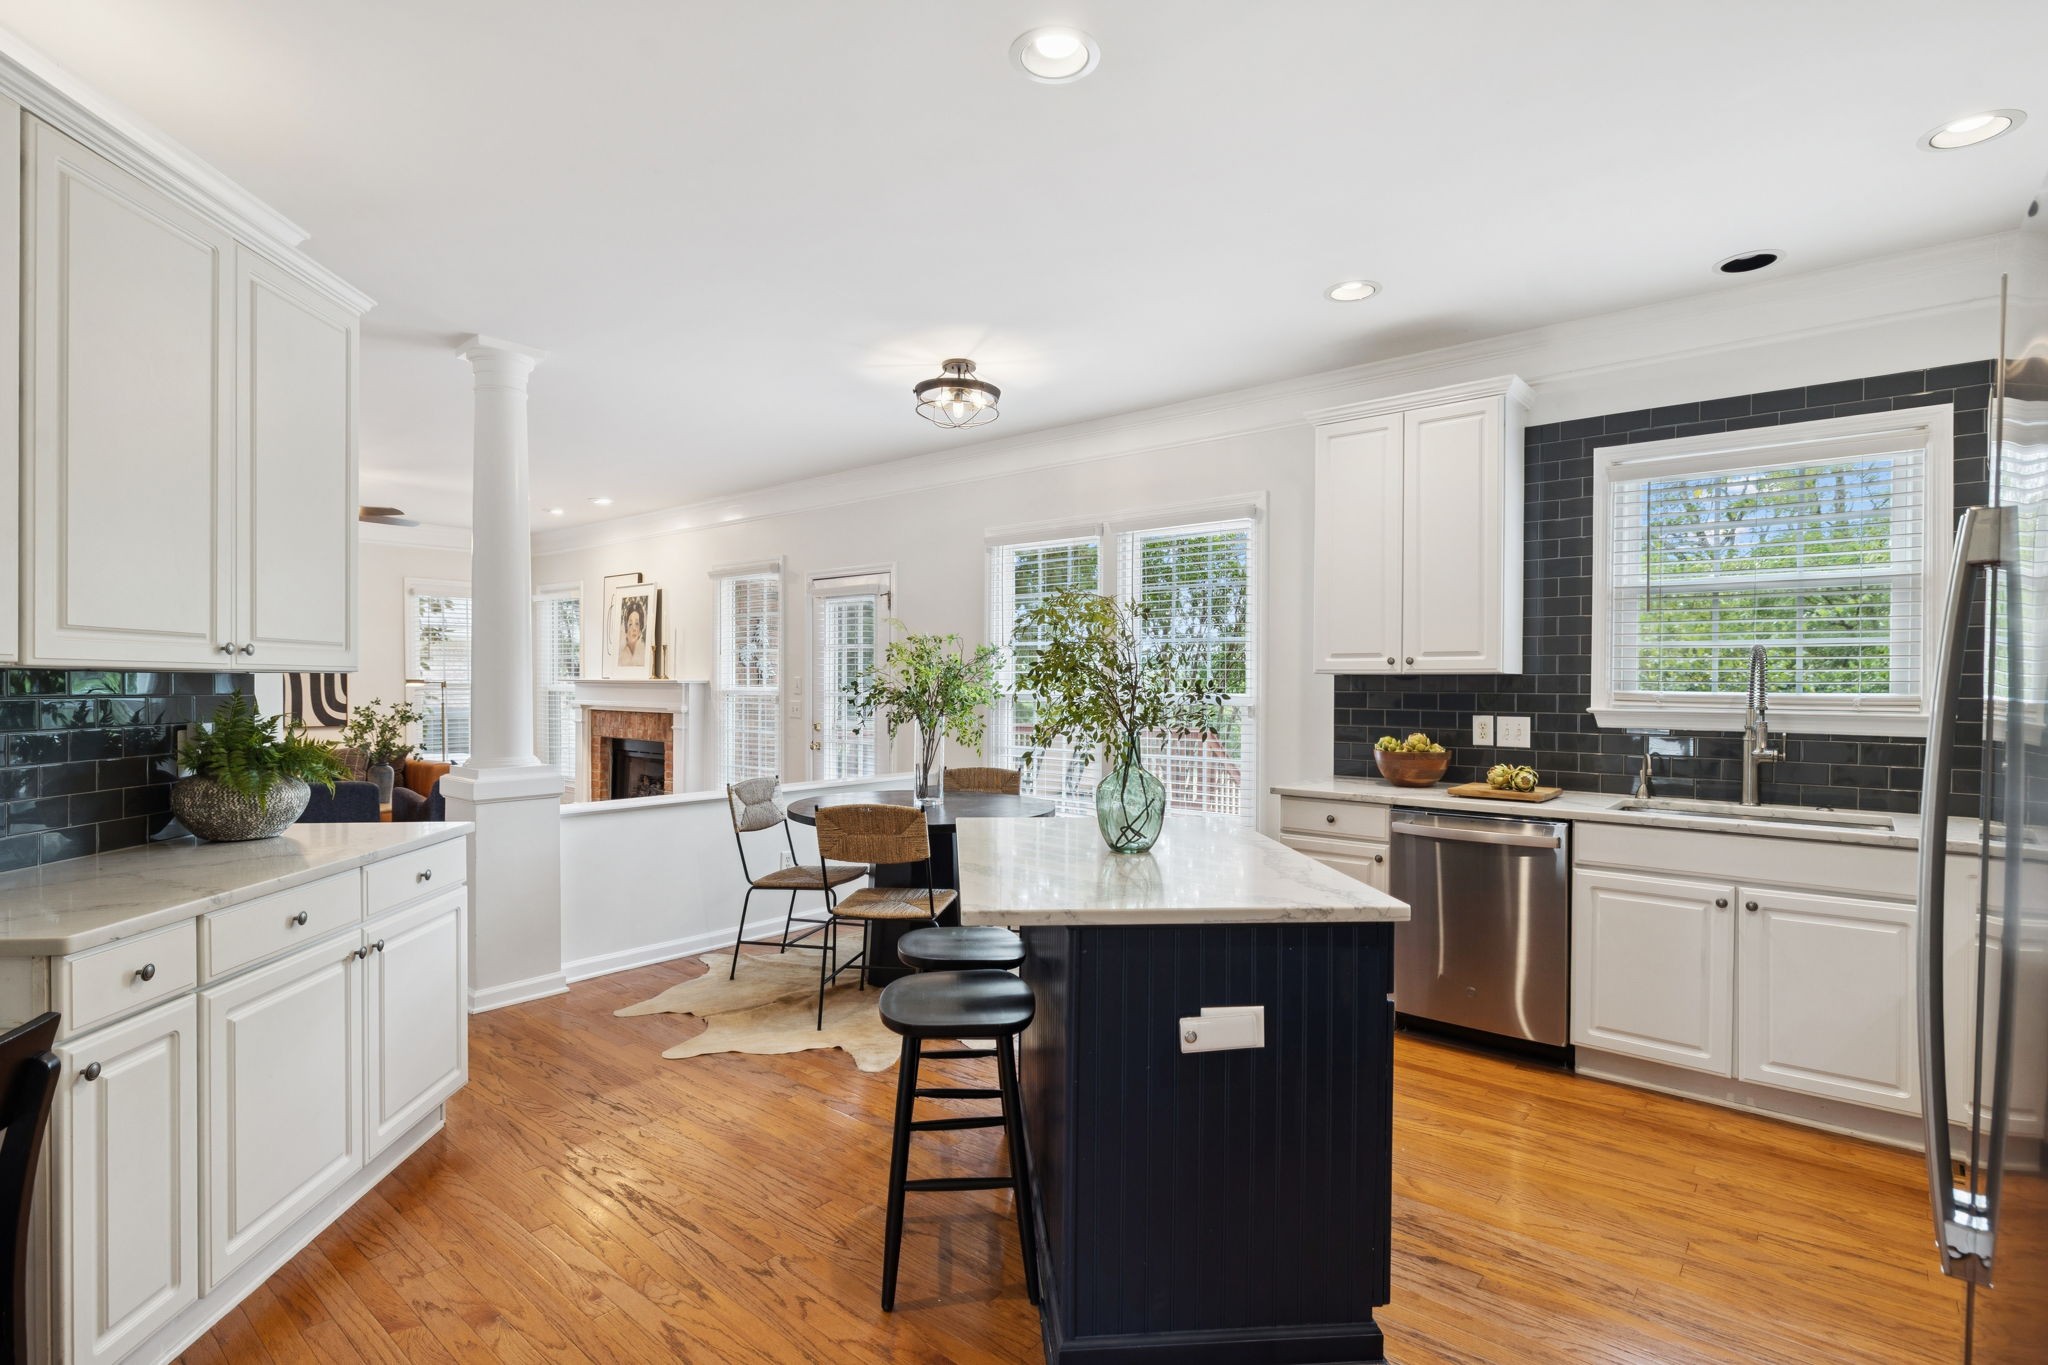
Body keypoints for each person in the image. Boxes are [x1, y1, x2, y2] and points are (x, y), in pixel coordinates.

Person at [618, 598, 648, 668]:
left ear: (640, 631)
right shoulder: (622, 659)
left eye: (637, 624)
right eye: (630, 624)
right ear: (626, 630)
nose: (634, 628)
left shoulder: (642, 656)